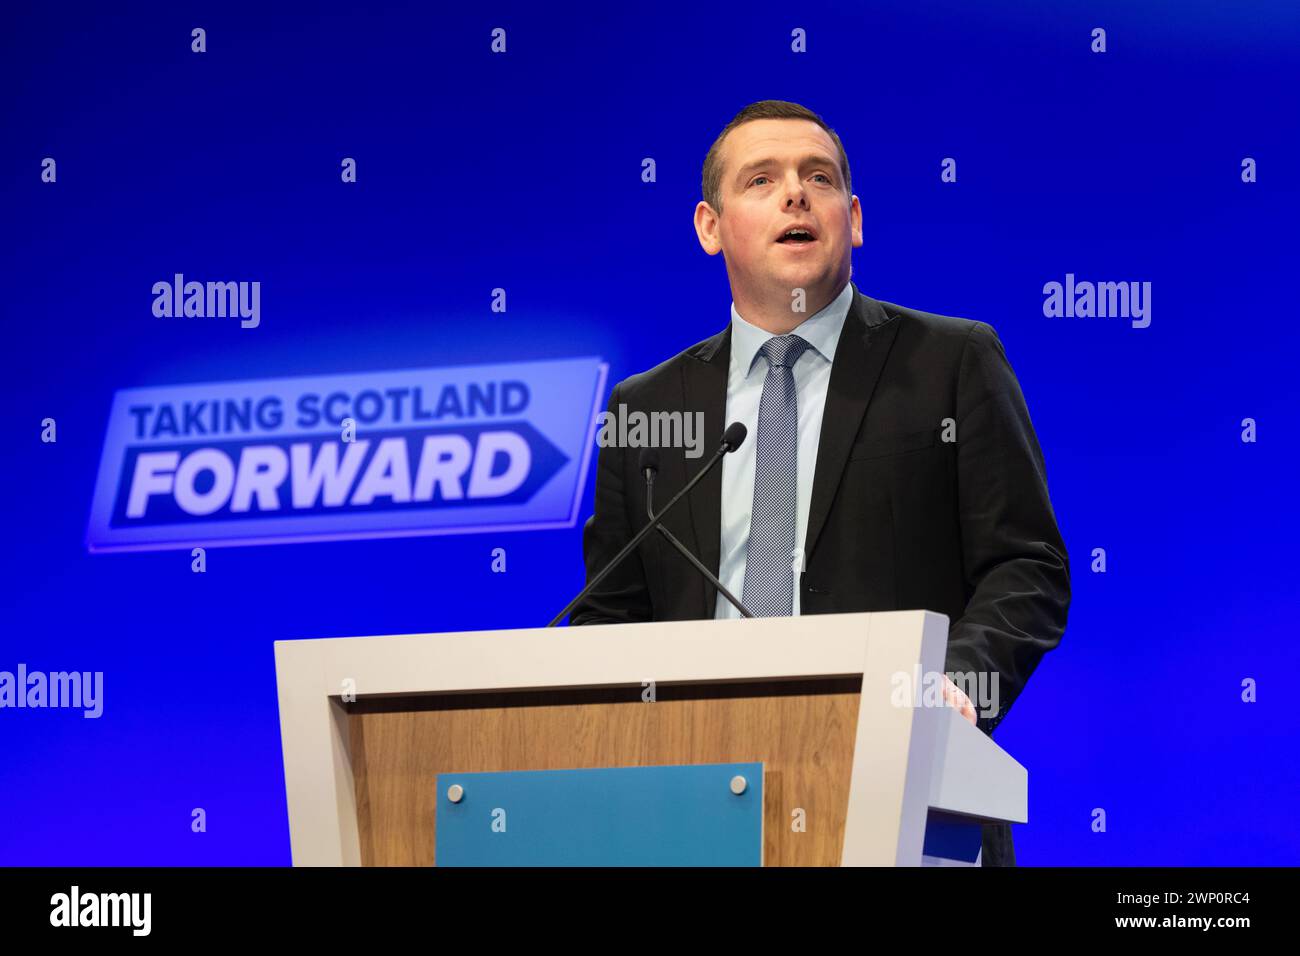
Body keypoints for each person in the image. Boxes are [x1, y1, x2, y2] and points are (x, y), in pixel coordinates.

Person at [570, 99, 1070, 867]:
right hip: (690, 802)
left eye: (819, 178)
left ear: (855, 217)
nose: (795, 195)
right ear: (710, 227)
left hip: (903, 793)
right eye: (762, 179)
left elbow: (1026, 565)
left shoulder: (950, 363)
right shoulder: (646, 407)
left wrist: (959, 691)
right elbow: (609, 616)